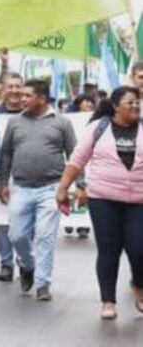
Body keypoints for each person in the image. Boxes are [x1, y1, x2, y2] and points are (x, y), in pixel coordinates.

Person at [57, 86, 143, 320]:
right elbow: (77, 159)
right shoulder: (98, 128)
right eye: (130, 102)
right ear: (115, 106)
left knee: (138, 249)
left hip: (139, 201)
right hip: (103, 199)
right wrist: (64, 188)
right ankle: (108, 301)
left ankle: (139, 285)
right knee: (109, 250)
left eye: (137, 102)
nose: (135, 106)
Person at [0, 80, 77, 302]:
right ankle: (27, 265)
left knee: (45, 236)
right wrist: (3, 182)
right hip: (21, 188)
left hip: (51, 188)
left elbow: (75, 155)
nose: (21, 99)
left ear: (42, 99)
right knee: (16, 235)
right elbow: (5, 154)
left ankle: (43, 284)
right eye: (21, 95)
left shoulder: (62, 123)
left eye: (26, 96)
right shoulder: (14, 122)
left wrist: (79, 184)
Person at [0, 71, 25, 281]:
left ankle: (24, 261)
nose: (14, 91)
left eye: (18, 86)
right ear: (4, 89)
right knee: (3, 220)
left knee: (27, 223)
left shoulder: (32, 113)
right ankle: (6, 263)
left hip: (28, 175)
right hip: (2, 175)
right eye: (10, 87)